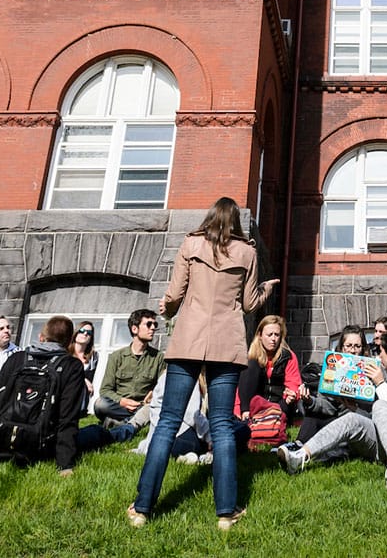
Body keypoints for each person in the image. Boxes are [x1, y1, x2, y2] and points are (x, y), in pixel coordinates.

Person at [128, 197, 278, 532]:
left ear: (209, 218)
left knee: (167, 423)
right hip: (226, 342)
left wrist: (165, 309)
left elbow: (174, 295)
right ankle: (226, 512)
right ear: (236, 221)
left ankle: (142, 508)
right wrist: (266, 288)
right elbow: (250, 303)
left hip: (188, 340)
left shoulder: (190, 244)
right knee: (223, 425)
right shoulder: (247, 252)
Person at [279, 328, 387, 489]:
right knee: (352, 419)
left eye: (381, 352)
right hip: (386, 437)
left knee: (380, 405)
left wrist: (379, 383)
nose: (379, 357)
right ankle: (301, 456)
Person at [0, 315, 89, 474]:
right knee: (94, 433)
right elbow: (67, 417)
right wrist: (65, 466)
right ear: (69, 343)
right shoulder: (72, 365)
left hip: (1, 442)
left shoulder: (17, 358)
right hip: (40, 449)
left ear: (41, 337)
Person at [91, 308, 165, 442]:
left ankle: (126, 425)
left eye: (155, 325)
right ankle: (125, 421)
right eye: (148, 324)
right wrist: (122, 401)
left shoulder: (158, 357)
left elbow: (162, 387)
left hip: (142, 406)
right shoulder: (117, 356)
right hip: (119, 406)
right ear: (134, 329)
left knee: (155, 407)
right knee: (100, 404)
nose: (153, 328)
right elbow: (105, 390)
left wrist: (153, 393)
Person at [295, 324, 369, 444]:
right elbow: (326, 406)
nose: (352, 350)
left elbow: (372, 413)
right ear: (341, 347)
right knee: (312, 414)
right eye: (348, 346)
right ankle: (298, 446)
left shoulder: (371, 371)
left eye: (357, 346)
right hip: (334, 419)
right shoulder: (332, 369)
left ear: (363, 348)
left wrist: (354, 407)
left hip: (357, 423)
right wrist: (310, 401)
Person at [239, 314, 305, 423]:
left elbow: (293, 383)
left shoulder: (288, 356)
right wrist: (241, 410)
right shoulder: (252, 357)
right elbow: (241, 388)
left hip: (280, 404)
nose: (273, 339)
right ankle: (248, 415)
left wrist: (290, 396)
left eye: (277, 335)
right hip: (256, 404)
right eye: (269, 335)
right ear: (260, 335)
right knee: (250, 365)